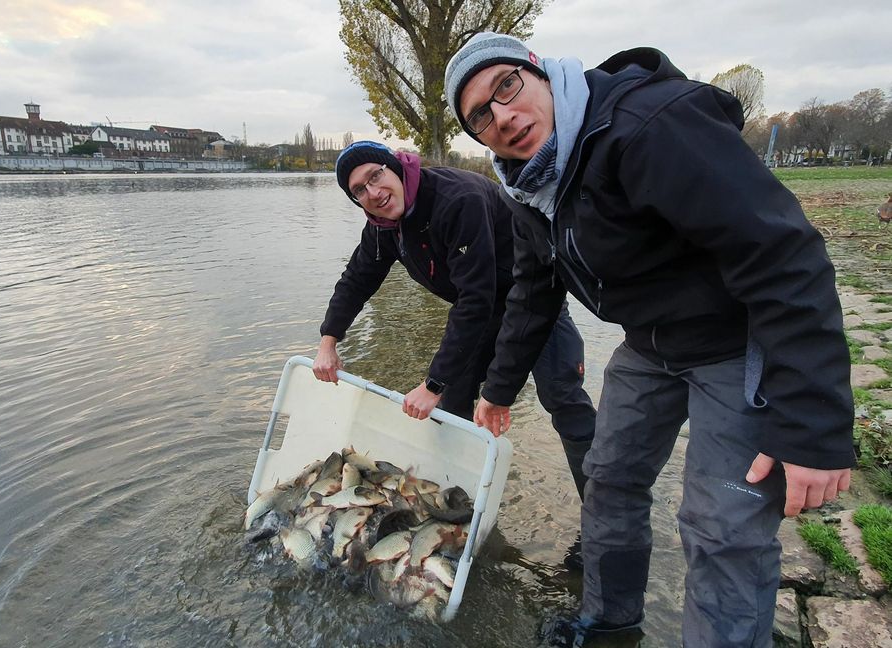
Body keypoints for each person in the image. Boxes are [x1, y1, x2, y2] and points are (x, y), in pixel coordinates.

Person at [444, 33, 854, 648]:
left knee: (721, 528)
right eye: (480, 115)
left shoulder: (651, 126)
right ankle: (609, 622)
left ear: (541, 72)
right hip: (648, 345)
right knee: (607, 480)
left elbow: (783, 254)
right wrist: (497, 390)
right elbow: (534, 291)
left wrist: (815, 425)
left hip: (737, 338)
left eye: (507, 86)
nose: (502, 116)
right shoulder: (526, 186)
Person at [314, 140, 597, 512]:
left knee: (563, 400)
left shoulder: (456, 198)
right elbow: (356, 279)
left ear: (394, 167)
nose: (374, 192)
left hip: (533, 301)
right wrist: (328, 340)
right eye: (359, 190)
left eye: (376, 176)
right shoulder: (383, 226)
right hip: (482, 311)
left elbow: (475, 298)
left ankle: (602, 514)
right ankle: (455, 503)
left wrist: (433, 382)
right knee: (451, 403)